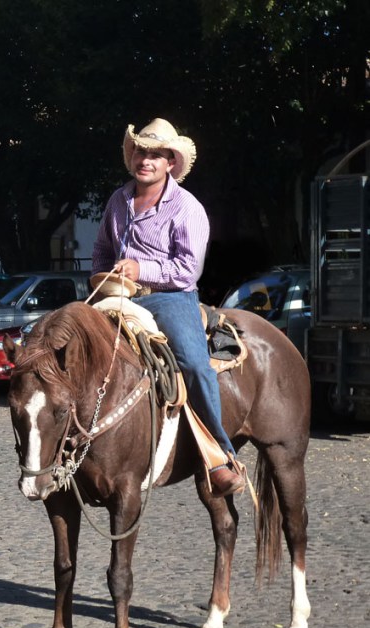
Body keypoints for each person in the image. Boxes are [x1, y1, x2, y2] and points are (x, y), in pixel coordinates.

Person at [91, 118, 245, 498]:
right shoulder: (118, 201)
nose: (145, 160)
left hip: (170, 297)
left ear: (170, 163)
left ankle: (219, 456)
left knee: (194, 364)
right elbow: (102, 248)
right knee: (76, 344)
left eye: (155, 155)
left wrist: (140, 269)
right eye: (140, 152)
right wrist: (102, 275)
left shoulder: (187, 207)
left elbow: (188, 269)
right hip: (118, 293)